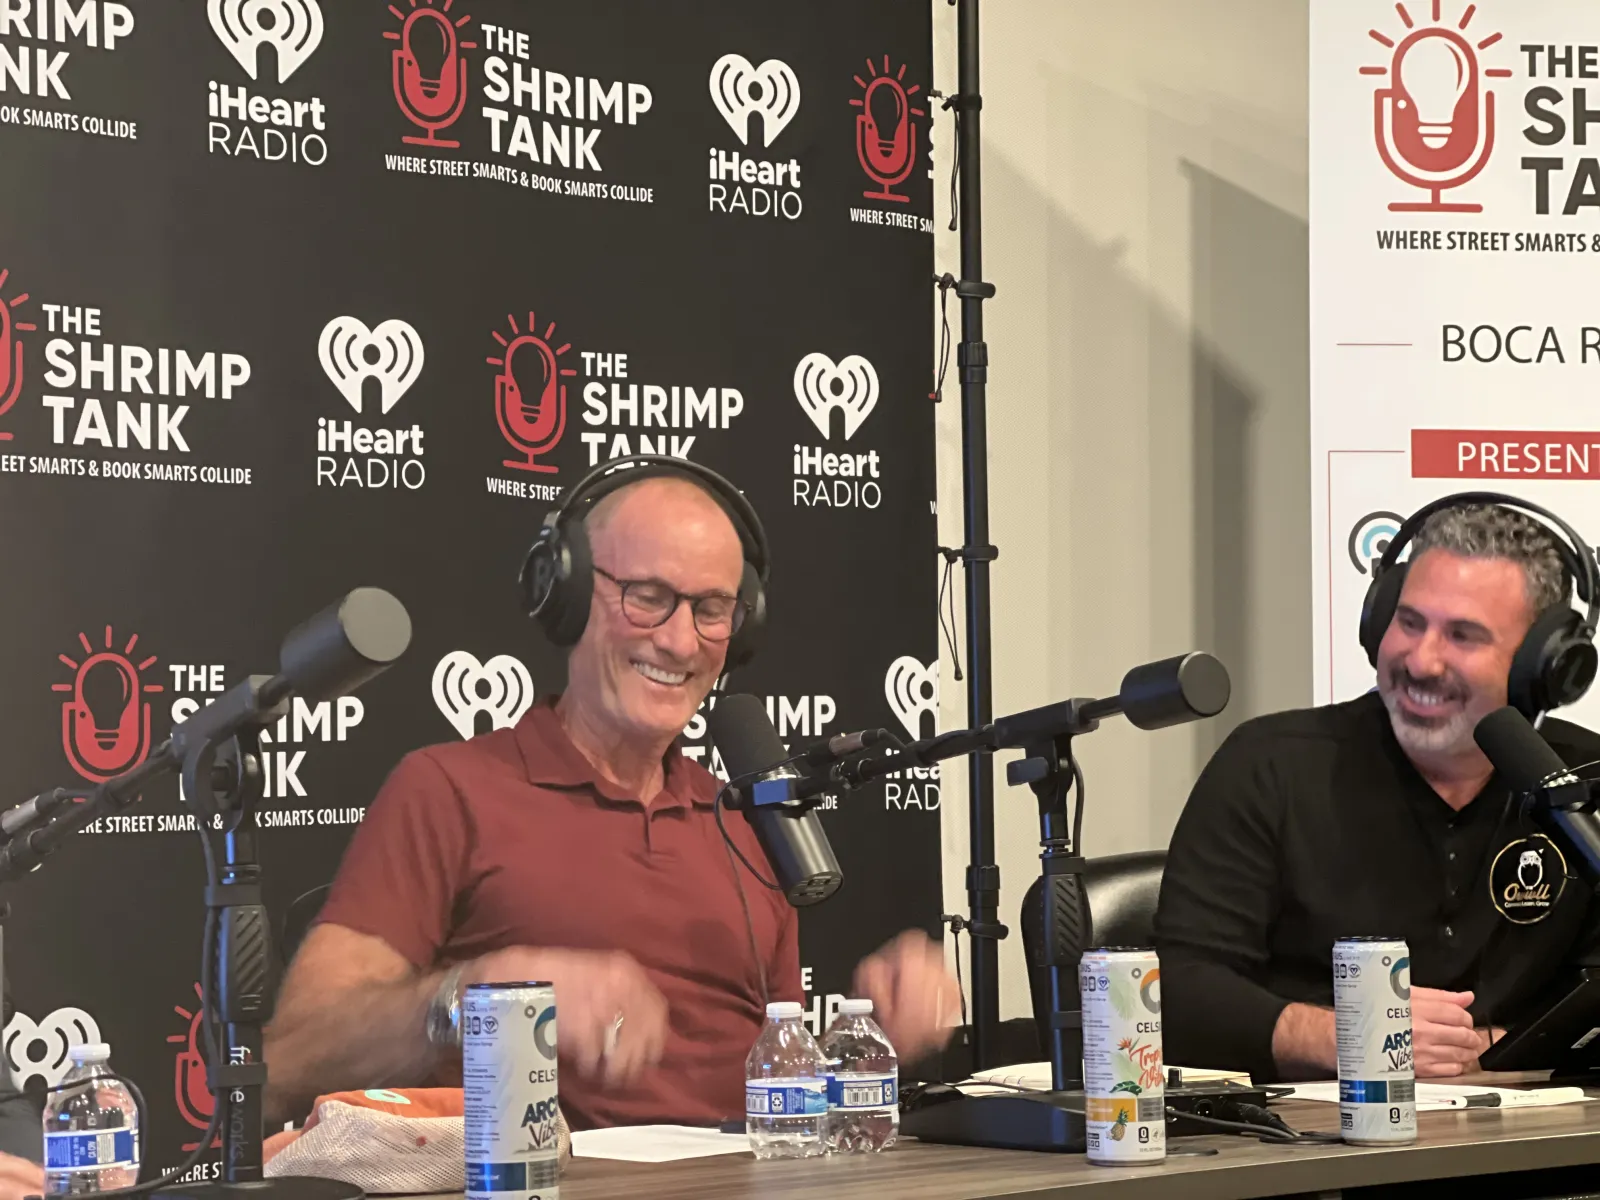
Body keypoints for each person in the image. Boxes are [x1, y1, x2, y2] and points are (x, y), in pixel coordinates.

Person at [264, 461, 958, 1128]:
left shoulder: (750, 821)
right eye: (648, 597)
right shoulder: (447, 790)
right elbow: (289, 1061)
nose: (681, 641)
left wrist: (872, 1042)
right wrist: (475, 993)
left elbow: (778, 1096)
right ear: (564, 595)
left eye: (713, 609)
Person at [1156, 500, 1600, 1082]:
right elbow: (1176, 993)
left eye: (1463, 636)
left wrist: (1490, 1049)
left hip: (1535, 1152)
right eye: (1409, 622)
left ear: (1545, 665)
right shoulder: (1270, 765)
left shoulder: (1584, 783)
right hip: (1316, 1156)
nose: (1420, 660)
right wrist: (1350, 1037)